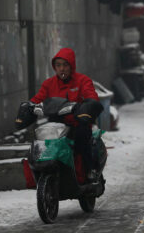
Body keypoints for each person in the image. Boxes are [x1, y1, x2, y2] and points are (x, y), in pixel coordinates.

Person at [30, 47, 103, 181]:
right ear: (54, 67)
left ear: (71, 66)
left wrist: (89, 105)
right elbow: (37, 99)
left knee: (82, 138)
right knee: (40, 140)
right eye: (58, 65)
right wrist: (29, 107)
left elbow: (91, 96)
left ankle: (90, 169)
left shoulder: (83, 81)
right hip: (55, 124)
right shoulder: (48, 84)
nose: (61, 69)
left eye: (65, 65)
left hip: (78, 123)